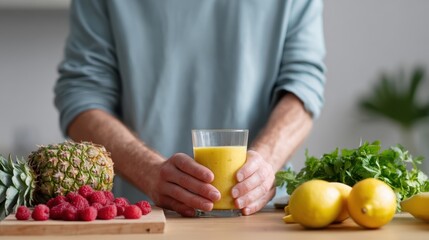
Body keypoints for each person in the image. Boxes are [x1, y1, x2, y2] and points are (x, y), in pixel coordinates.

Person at [54, 0, 326, 217]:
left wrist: (267, 159)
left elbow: (303, 86)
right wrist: (148, 170)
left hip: (259, 215)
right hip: (145, 216)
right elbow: (82, 95)